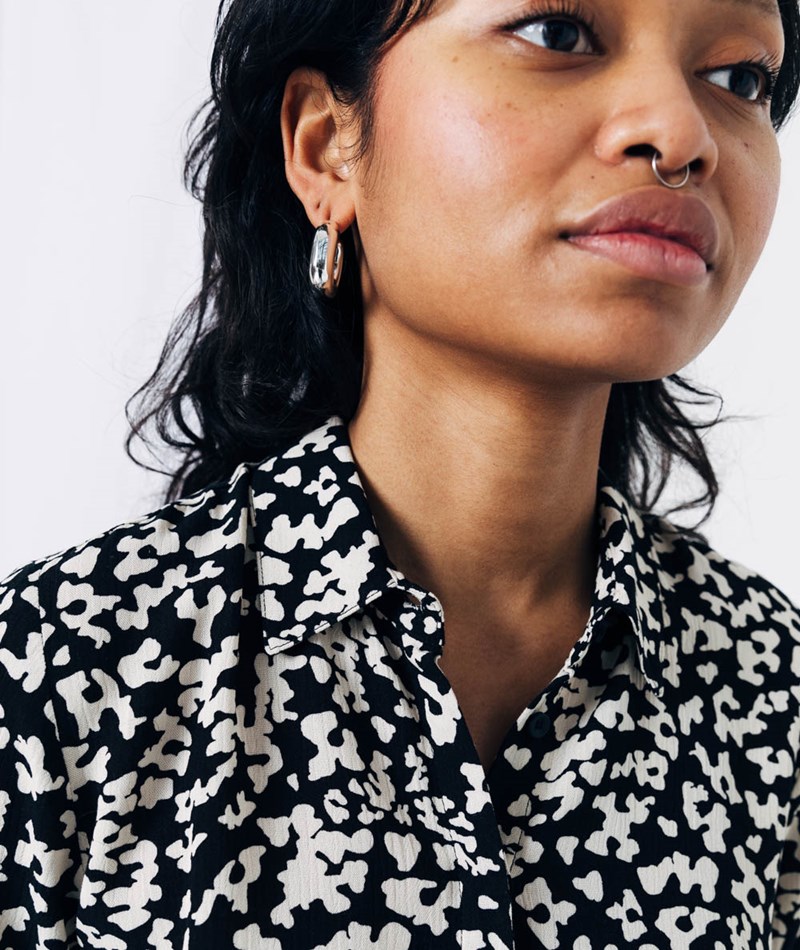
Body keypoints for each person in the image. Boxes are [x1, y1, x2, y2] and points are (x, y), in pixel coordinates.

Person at [1, 0, 799, 946]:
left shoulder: (774, 692)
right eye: (556, 33)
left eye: (739, 77)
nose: (681, 135)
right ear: (326, 145)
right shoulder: (57, 673)